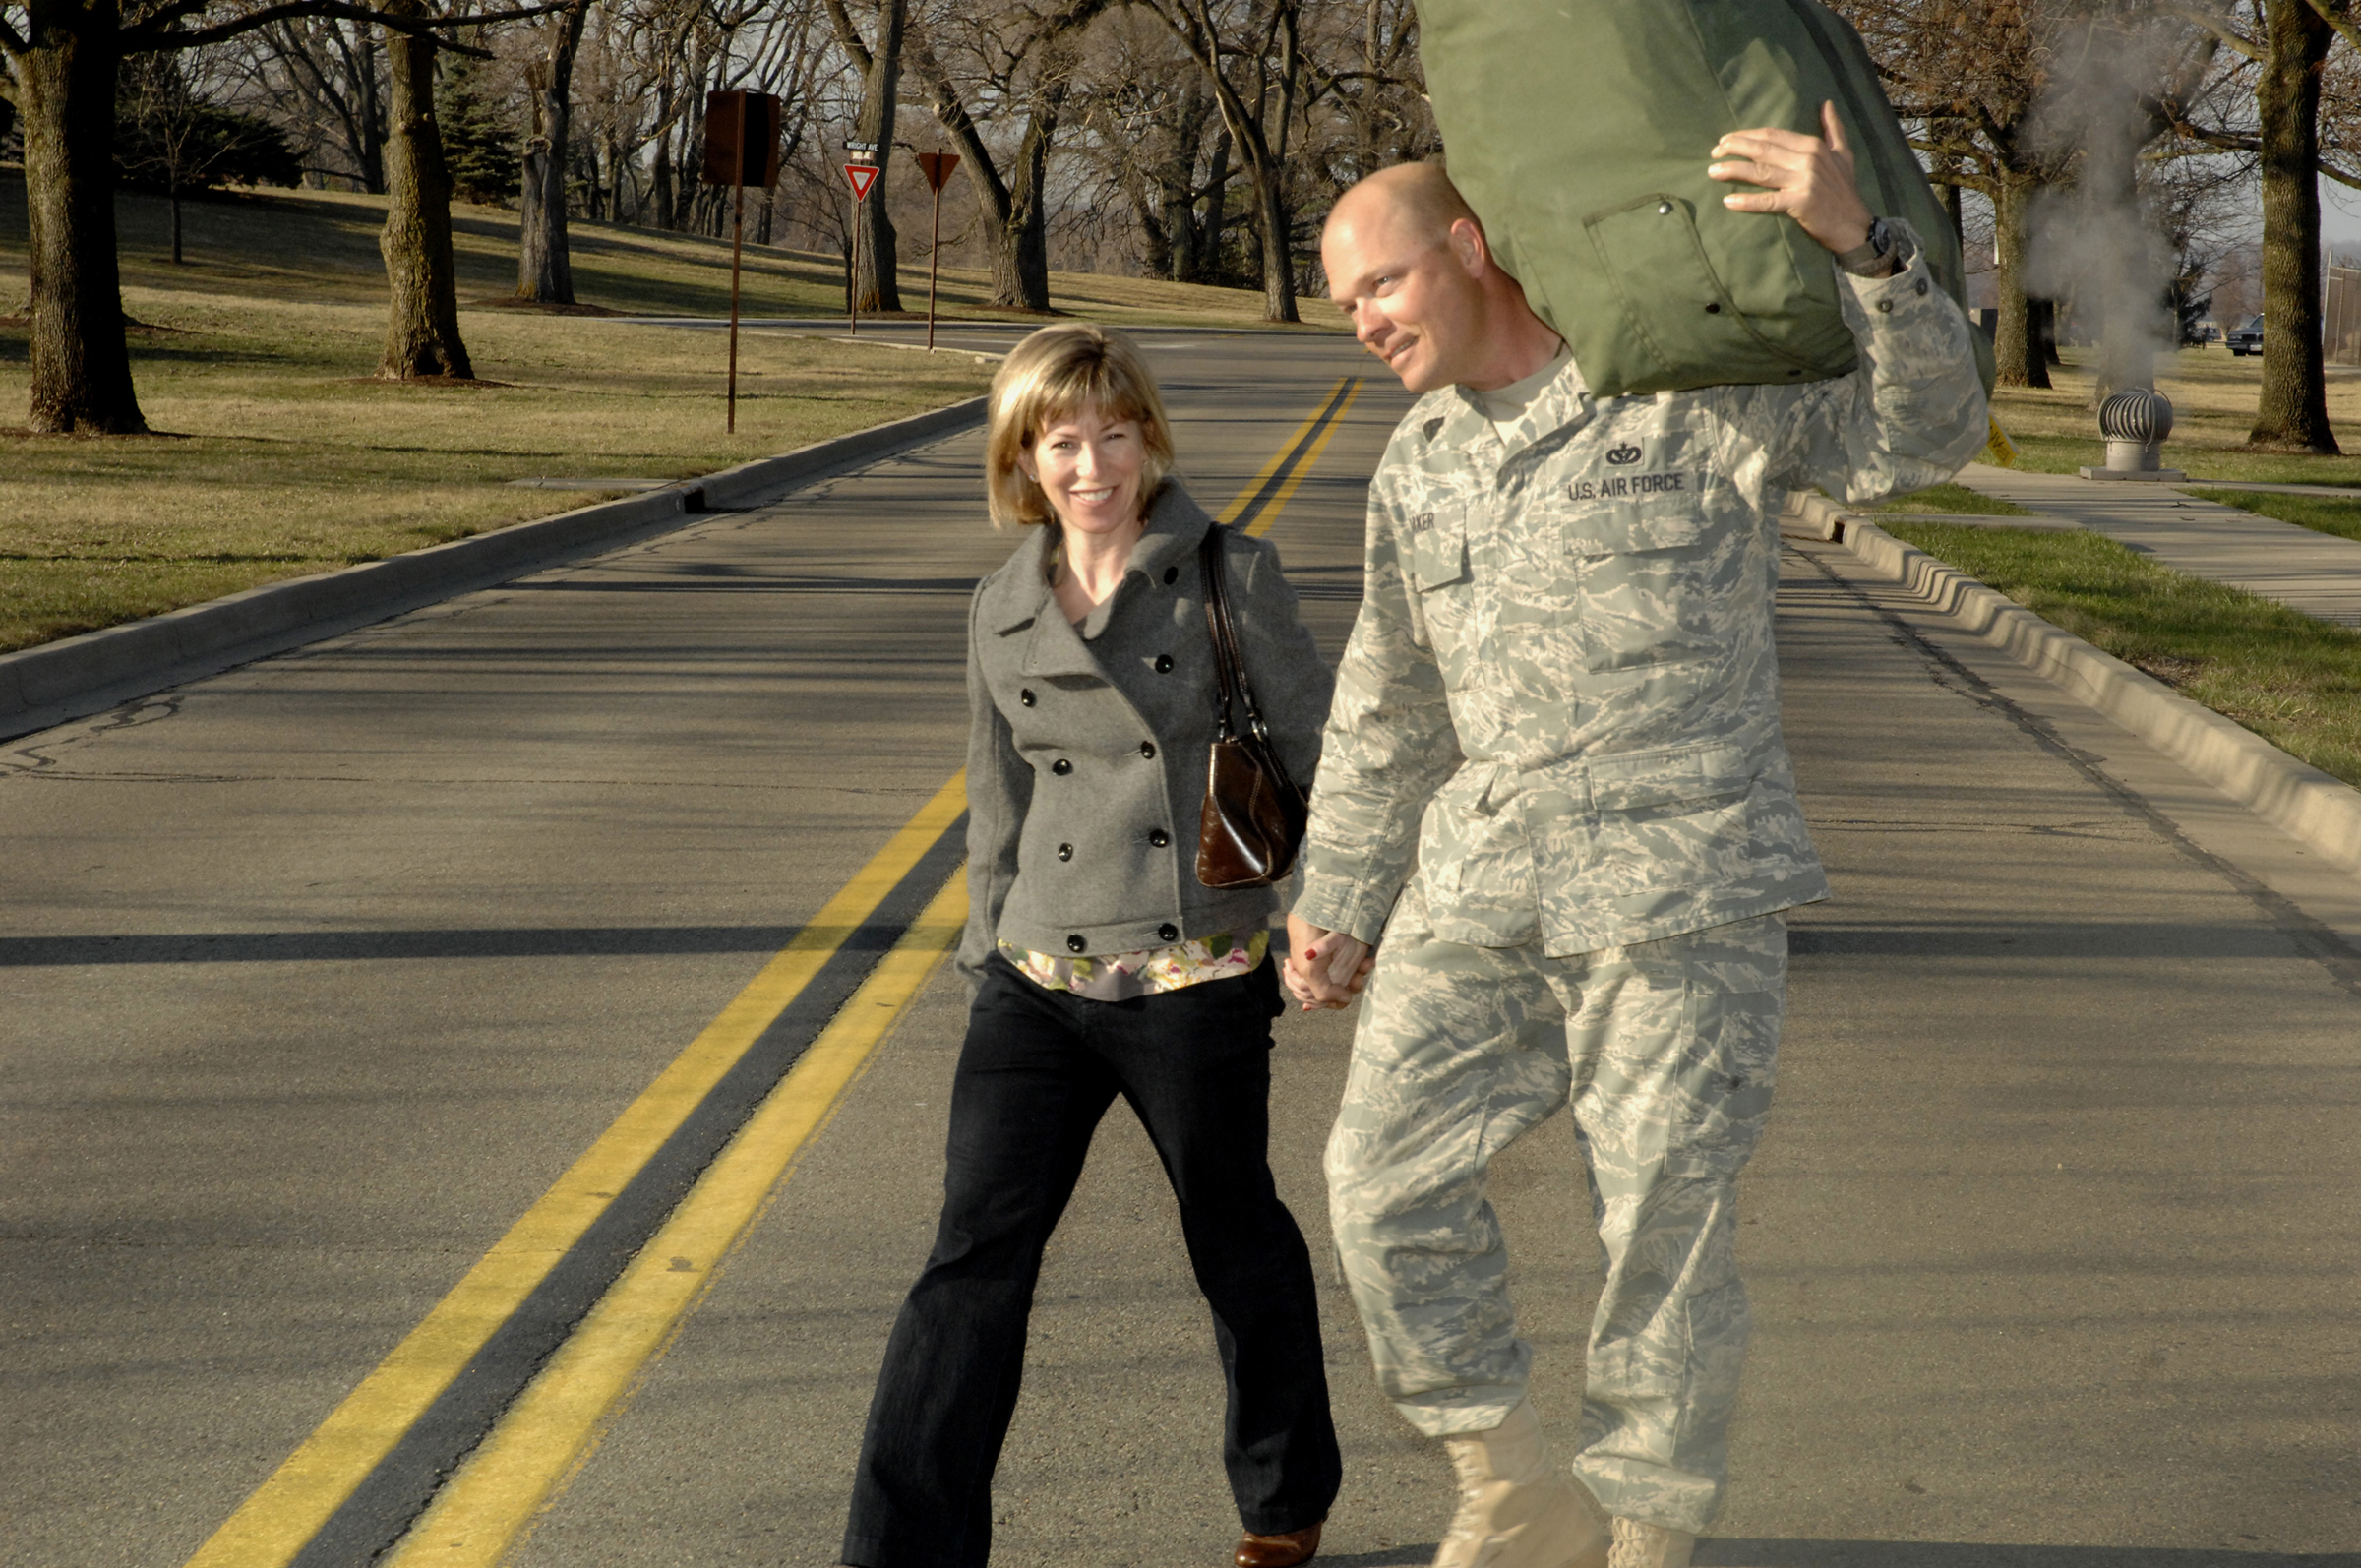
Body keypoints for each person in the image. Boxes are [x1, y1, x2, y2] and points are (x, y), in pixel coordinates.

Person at [1284, 110, 1987, 1568]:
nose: (1362, 322)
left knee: (1660, 1238)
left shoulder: (1686, 394)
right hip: (1484, 882)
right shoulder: (1417, 464)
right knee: (1377, 1182)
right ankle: (1511, 1485)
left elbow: (1922, 436)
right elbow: (1387, 699)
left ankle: (1651, 1536)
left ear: (1468, 249)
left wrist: (1869, 249)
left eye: (1383, 286)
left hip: (1682, 891)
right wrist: (1339, 892)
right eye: (1346, 300)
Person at [842, 323, 1343, 1568]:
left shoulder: (1231, 572)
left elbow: (1325, 757)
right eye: (1061, 439)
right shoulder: (1001, 606)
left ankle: (1283, 1502)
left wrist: (1328, 909)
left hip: (1194, 975)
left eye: (1114, 432)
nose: (1091, 464)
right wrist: (982, 963)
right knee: (971, 1260)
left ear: (1149, 436)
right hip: (1039, 980)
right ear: (1022, 455)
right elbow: (998, 796)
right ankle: (901, 1552)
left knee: (1233, 1237)